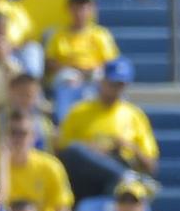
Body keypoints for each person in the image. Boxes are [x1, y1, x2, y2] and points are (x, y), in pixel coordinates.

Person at [56, 58, 158, 197]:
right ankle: (126, 177)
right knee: (76, 150)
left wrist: (128, 146)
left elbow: (151, 165)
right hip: (84, 175)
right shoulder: (79, 111)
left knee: (117, 184)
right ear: (101, 81)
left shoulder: (135, 115)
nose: (116, 89)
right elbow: (63, 150)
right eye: (112, 83)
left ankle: (123, 176)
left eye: (120, 85)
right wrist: (91, 149)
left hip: (118, 167)